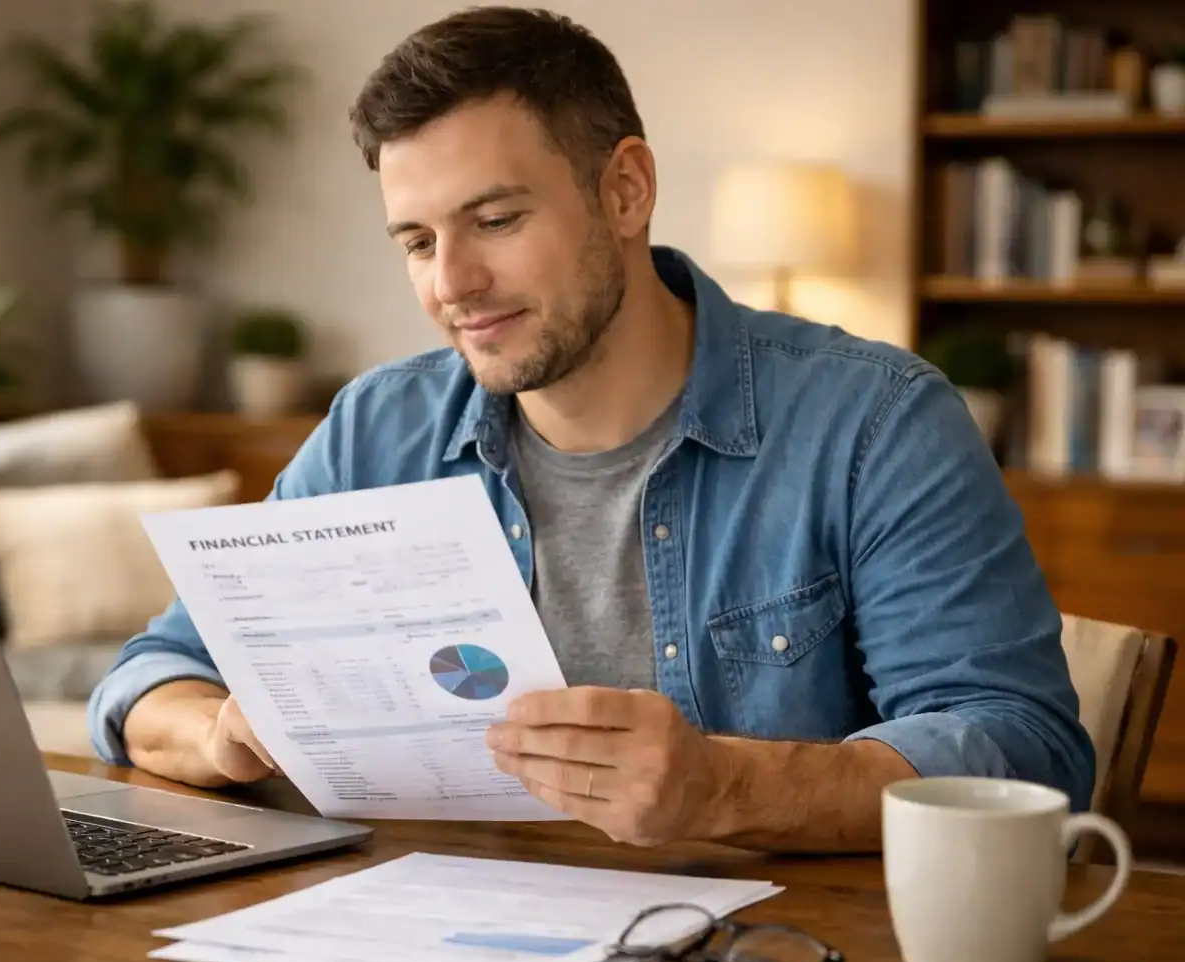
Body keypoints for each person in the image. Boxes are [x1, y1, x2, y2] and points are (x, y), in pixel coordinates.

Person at [87, 6, 1094, 853]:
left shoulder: (874, 422)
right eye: (418, 240)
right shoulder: (377, 429)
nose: (451, 285)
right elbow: (148, 677)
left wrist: (725, 787)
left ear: (625, 189)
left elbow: (1027, 748)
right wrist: (222, 733)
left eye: (495, 220)